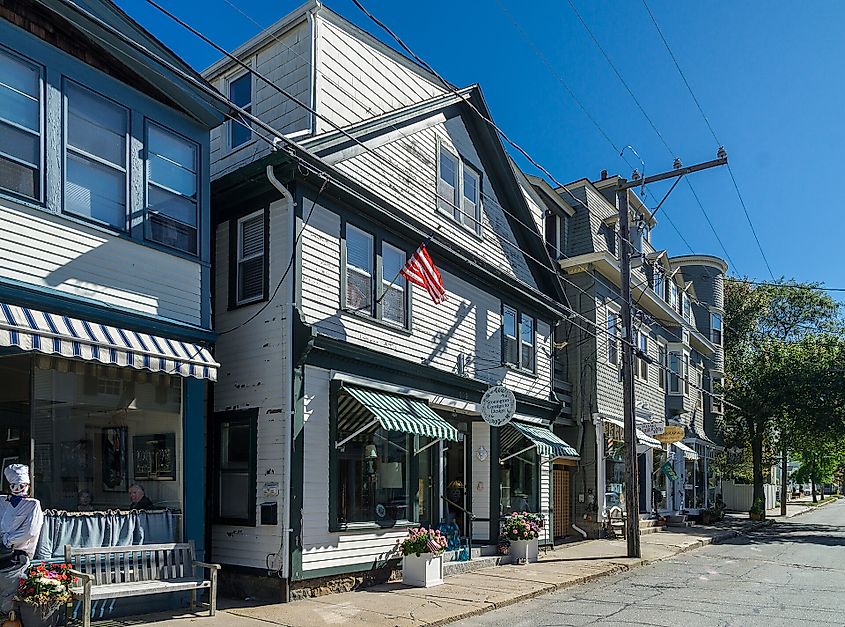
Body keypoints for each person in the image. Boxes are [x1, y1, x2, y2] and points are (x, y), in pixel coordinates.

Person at [0, 464, 44, 613]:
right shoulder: (2, 502)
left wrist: (8, 540)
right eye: (14, 485)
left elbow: (30, 531)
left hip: (17, 556)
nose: (17, 488)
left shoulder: (33, 505)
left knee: (10, 596)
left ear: (28, 485)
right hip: (1, 554)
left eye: (22, 485)